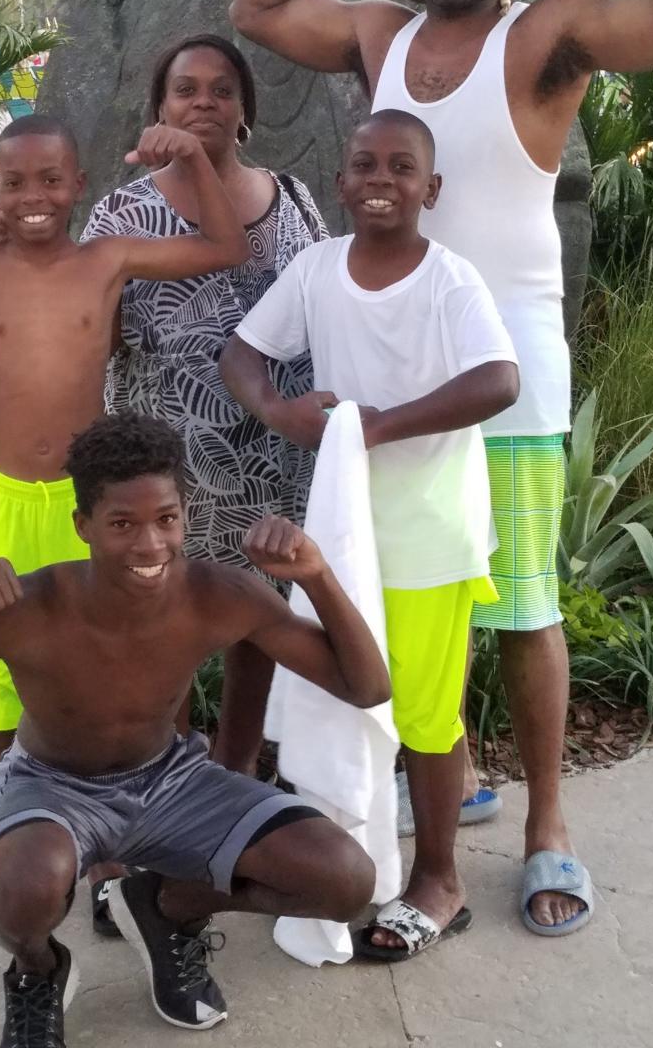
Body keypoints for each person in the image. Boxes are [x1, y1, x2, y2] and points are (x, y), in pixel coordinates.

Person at [229, 0, 653, 935]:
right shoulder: (381, 36)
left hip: (502, 372)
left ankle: (547, 829)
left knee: (521, 603)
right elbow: (258, 6)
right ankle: (455, 781)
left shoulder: (546, 34)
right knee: (399, 590)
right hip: (377, 381)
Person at [0, 412, 392, 1047]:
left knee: (345, 882)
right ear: (83, 527)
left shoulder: (219, 594)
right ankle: (38, 971)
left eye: (166, 519)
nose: (150, 545)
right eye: (123, 523)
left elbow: (368, 688)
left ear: (185, 515)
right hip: (50, 788)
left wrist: (315, 576)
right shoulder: (23, 609)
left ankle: (163, 906)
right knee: (25, 890)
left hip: (173, 781)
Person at [0, 115, 250, 942]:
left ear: (79, 185)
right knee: (0, 678)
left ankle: (118, 860)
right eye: (15, 182)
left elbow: (224, 248)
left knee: (124, 661)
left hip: (90, 512)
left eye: (51, 180)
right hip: (4, 500)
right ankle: (4, 851)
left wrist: (199, 158)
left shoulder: (106, 260)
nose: (34, 198)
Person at [220, 110, 519, 958]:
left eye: (400, 167)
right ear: (342, 182)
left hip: (428, 531)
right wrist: (276, 409)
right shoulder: (317, 271)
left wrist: (379, 427)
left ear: (432, 189)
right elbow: (241, 354)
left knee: (423, 711)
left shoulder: (449, 280)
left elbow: (498, 378)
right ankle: (344, 863)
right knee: (338, 692)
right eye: (364, 165)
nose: (380, 179)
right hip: (342, 532)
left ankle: (440, 879)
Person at [78, 34, 329, 778]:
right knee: (164, 621)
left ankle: (237, 766)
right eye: (186, 90)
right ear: (159, 107)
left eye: (222, 90)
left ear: (246, 109)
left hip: (273, 459)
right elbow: (86, 331)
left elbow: (323, 306)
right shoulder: (123, 213)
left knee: (259, 612)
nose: (204, 103)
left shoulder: (293, 199)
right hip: (169, 465)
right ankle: (167, 772)